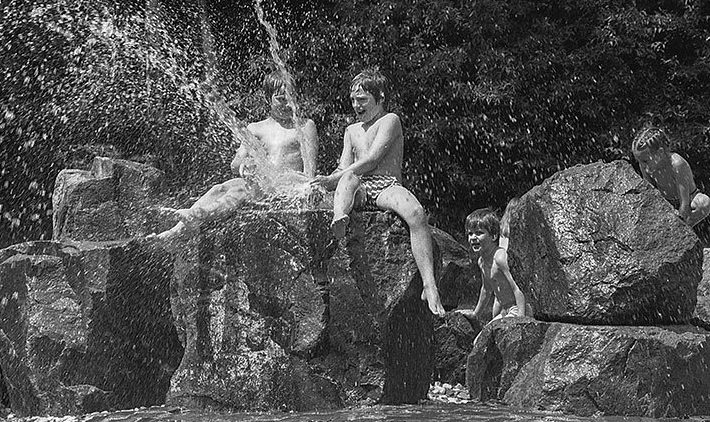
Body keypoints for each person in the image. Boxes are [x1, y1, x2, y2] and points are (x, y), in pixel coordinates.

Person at [313, 69, 444, 316]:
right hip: (359, 186)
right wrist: (329, 179)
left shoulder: (390, 120)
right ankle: (339, 216)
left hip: (386, 184)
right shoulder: (351, 130)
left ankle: (429, 284)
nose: (356, 105)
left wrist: (333, 179)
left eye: (362, 99)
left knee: (415, 213)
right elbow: (344, 167)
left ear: (380, 97)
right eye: (353, 100)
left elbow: (373, 159)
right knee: (349, 177)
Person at [150, 71, 319, 243]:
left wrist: (308, 191)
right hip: (263, 185)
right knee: (219, 189)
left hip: (288, 188)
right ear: (269, 98)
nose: (287, 104)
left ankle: (197, 214)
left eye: (291, 97)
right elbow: (236, 164)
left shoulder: (305, 126)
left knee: (240, 190)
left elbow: (310, 171)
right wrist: (245, 167)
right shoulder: (255, 129)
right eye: (281, 98)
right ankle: (173, 233)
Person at [458, 207, 530, 324]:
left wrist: (521, 320)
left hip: (518, 309)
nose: (473, 238)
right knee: (479, 340)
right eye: (470, 233)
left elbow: (518, 288)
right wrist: (476, 313)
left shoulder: (500, 257)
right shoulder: (482, 261)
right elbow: (486, 289)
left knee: (489, 338)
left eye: (479, 233)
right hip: (504, 311)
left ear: (493, 236)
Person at [631, 125, 710, 226]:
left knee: (703, 203)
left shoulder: (676, 164)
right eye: (638, 161)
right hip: (666, 201)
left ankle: (686, 229)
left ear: (659, 153)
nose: (642, 165)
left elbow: (684, 203)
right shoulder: (645, 166)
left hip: (688, 199)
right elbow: (648, 192)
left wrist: (678, 225)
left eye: (645, 161)